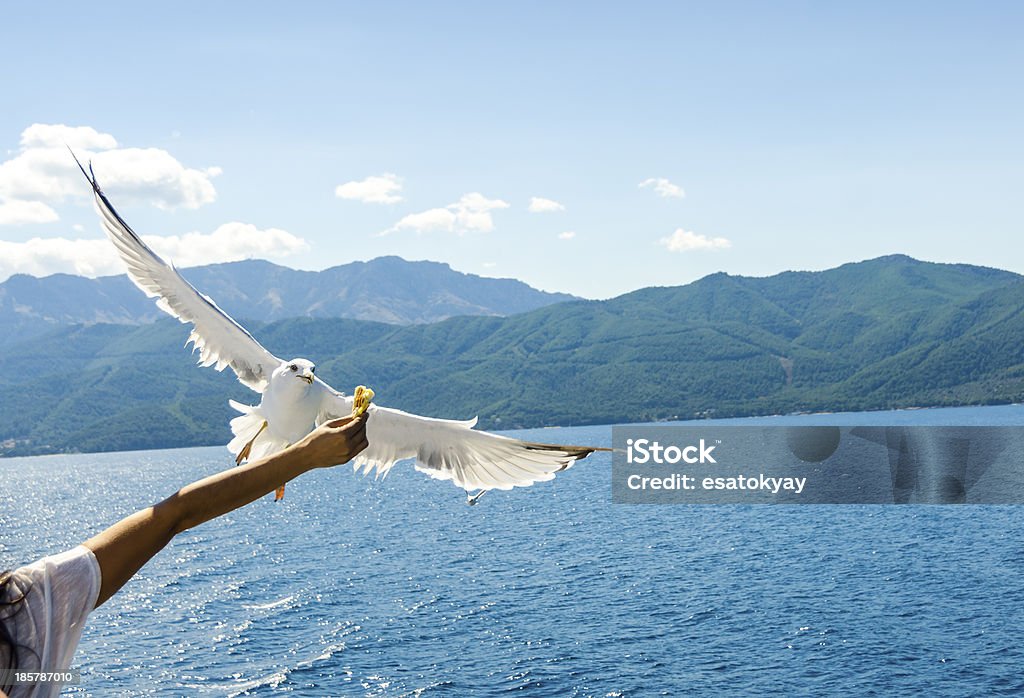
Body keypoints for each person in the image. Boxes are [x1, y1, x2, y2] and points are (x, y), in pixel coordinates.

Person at [0, 413, 369, 698]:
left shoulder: (27, 602)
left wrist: (306, 455)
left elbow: (173, 515)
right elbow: (174, 516)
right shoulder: (25, 606)